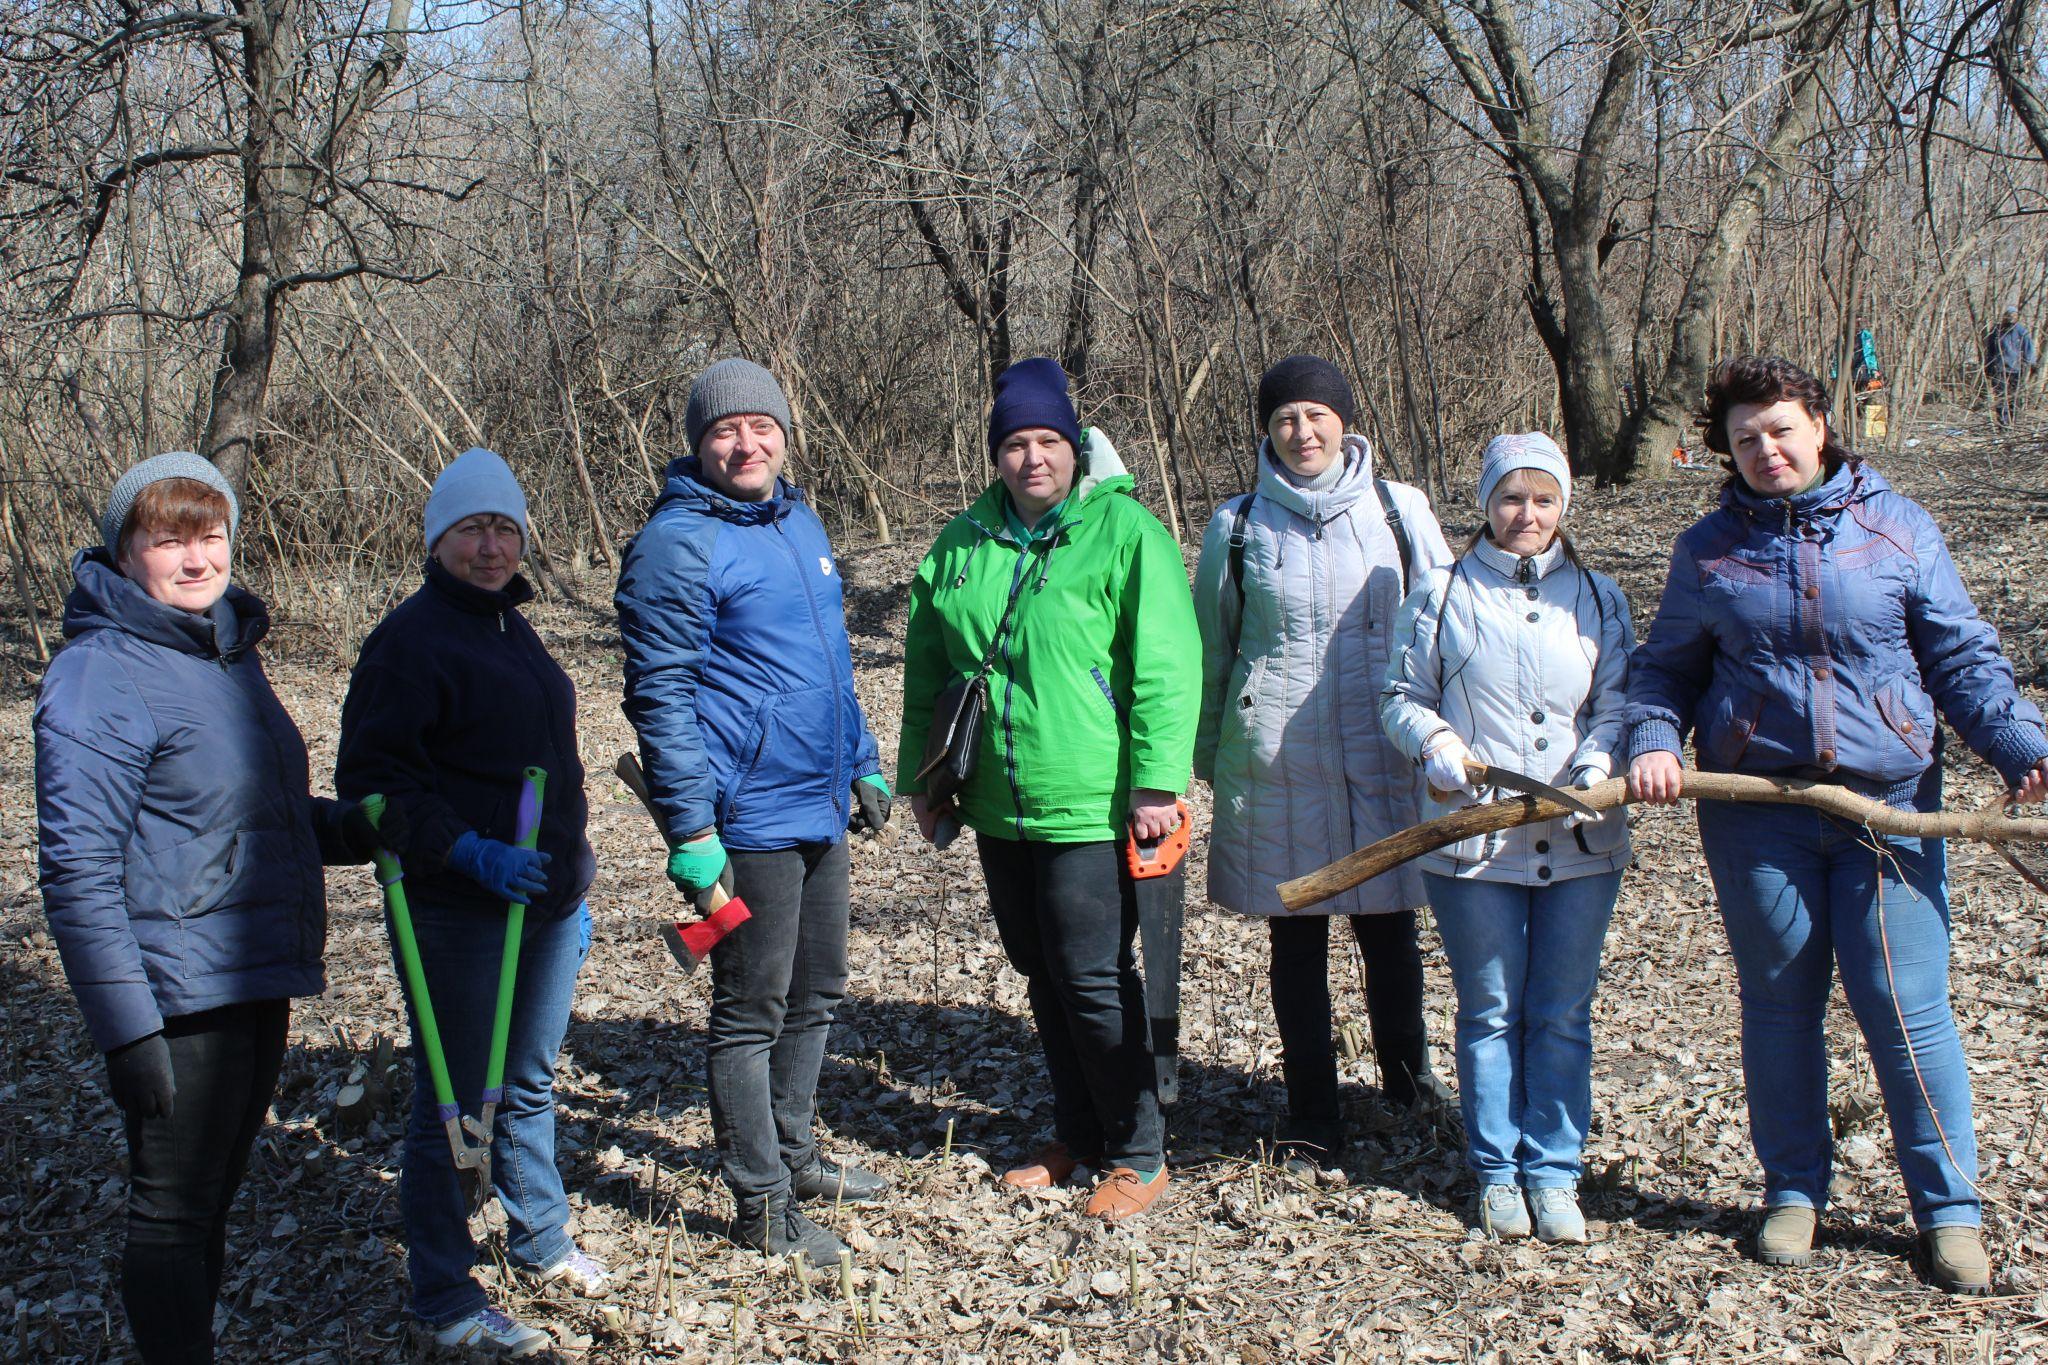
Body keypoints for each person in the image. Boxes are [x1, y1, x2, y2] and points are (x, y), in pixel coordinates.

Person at [1627, 355, 2048, 1294]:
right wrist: (1653, 738)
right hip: (1757, 813)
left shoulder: (1898, 527)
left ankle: (1949, 1211)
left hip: (1888, 810)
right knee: (1780, 1006)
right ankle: (1793, 1189)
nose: (1765, 449)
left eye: (1781, 429)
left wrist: (2020, 745)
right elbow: (1665, 670)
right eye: (1744, 438)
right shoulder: (1708, 549)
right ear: (1726, 449)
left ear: (1819, 426)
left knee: (1906, 1004)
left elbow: (1964, 659)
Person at [35, 454, 386, 1364]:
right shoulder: (98, 673)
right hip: (175, 996)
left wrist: (346, 829)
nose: (197, 558)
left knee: (211, 1200)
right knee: (170, 1213)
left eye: (212, 535)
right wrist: (127, 1028)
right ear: (124, 554)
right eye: (169, 540)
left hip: (249, 970)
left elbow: (241, 816)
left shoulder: (223, 652)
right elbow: (77, 870)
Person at [898, 357, 1200, 1221]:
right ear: (995, 454)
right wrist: (925, 776)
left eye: (1047, 441)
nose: (1032, 458)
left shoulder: (1125, 531)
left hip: (1091, 802)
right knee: (1040, 972)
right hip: (997, 802)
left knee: (1092, 976)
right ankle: (1078, 1133)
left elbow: (1168, 664)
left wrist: (1156, 781)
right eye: (1015, 444)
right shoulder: (961, 543)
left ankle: (1139, 1150)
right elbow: (927, 669)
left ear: (1074, 445)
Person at [616, 359, 891, 1263]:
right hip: (746, 817)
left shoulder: (798, 521)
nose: (746, 444)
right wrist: (693, 831)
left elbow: (831, 660)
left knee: (819, 990)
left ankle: (796, 1154)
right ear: (699, 443)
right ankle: (762, 1206)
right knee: (750, 1013)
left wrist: (863, 759)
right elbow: (660, 696)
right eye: (725, 430)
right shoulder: (677, 543)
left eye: (761, 426)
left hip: (818, 803)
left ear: (784, 433)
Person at [337, 447, 605, 1356]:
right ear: (436, 538)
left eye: (504, 529)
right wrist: (469, 850)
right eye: (470, 529)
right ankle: (444, 1293)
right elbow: (375, 784)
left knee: (526, 1081)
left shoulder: (507, 625)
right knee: (451, 1102)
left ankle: (539, 1237)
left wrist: (573, 866)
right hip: (458, 908)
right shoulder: (409, 642)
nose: (490, 547)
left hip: (546, 904)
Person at [1191, 354, 1453, 1171]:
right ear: (1266, 430)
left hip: (1385, 748)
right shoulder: (1237, 525)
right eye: (1284, 418)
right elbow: (1212, 649)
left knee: (1392, 932)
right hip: (1279, 758)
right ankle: (1312, 1112)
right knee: (1296, 945)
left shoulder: (1400, 510)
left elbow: (1447, 627)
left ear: (1345, 420)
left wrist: (1452, 738)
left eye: (1315, 415)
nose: (1301, 431)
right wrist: (1209, 752)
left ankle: (1409, 1087)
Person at [1380, 433, 1634, 1243]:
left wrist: (1597, 762)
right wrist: (1435, 744)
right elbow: (1400, 695)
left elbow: (1621, 702)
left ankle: (1554, 1172)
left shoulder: (1598, 597)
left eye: (1544, 498)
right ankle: (1496, 1172)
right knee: (1489, 1009)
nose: (1528, 514)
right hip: (1473, 843)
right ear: (1487, 503)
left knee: (1561, 1010)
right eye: (1512, 497)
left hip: (1581, 840)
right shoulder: (1442, 592)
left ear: (1564, 505)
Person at [1983, 306, 2036, 425]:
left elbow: (2029, 350)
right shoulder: (1996, 331)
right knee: (2001, 397)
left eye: (2014, 316)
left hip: (2016, 370)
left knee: (2014, 397)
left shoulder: (2022, 331)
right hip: (1999, 369)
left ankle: (2013, 423)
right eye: (2008, 315)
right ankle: (2003, 424)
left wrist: (2031, 364)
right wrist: (1988, 366)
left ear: (2017, 317)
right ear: (2004, 316)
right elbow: (1990, 350)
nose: (2011, 318)